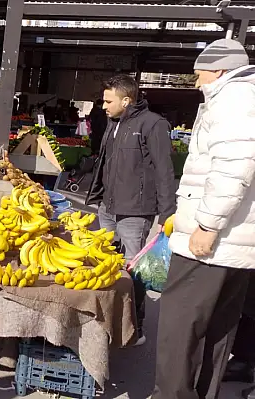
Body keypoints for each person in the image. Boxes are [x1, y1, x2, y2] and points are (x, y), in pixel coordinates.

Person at [152, 39, 255, 399]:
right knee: (217, 329)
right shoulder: (247, 97)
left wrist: (208, 225)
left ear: (221, 70)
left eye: (200, 75)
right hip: (237, 245)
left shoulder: (234, 100)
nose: (196, 83)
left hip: (212, 240)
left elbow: (234, 168)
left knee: (180, 328)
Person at [86, 74, 176, 346]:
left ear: (126, 100)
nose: (103, 106)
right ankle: (109, 319)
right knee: (105, 264)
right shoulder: (113, 123)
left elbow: (164, 170)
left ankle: (135, 326)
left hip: (135, 211)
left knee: (134, 269)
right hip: (109, 207)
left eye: (108, 100)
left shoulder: (153, 124)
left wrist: (166, 213)